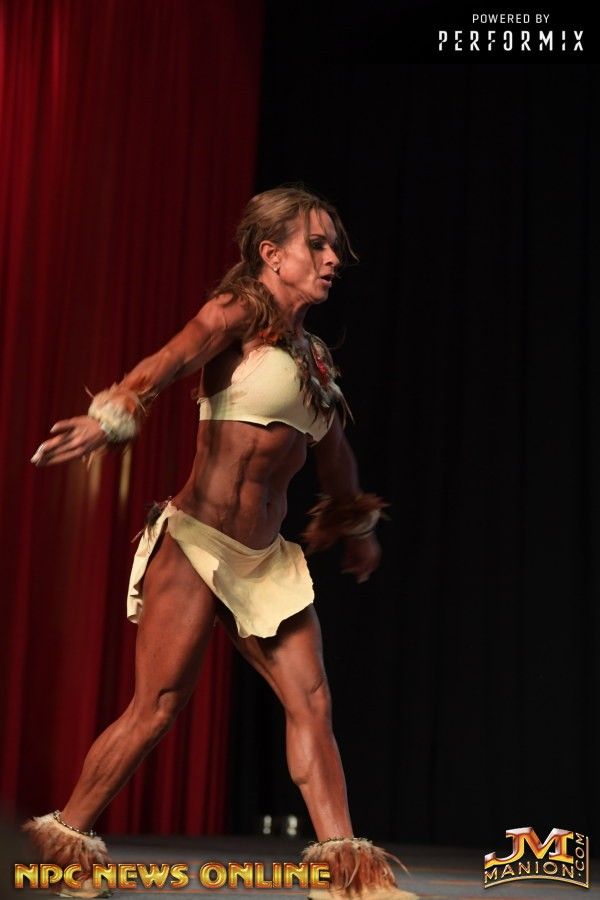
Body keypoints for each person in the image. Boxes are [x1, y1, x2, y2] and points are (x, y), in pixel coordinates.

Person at [25, 186, 417, 900]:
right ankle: (63, 845)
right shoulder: (237, 314)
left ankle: (347, 875)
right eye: (316, 245)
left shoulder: (314, 359)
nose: (332, 259)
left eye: (334, 248)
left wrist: (355, 526)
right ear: (272, 255)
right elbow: (172, 358)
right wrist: (109, 417)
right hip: (197, 544)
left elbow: (335, 457)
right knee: (157, 706)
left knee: (313, 704)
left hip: (264, 561)